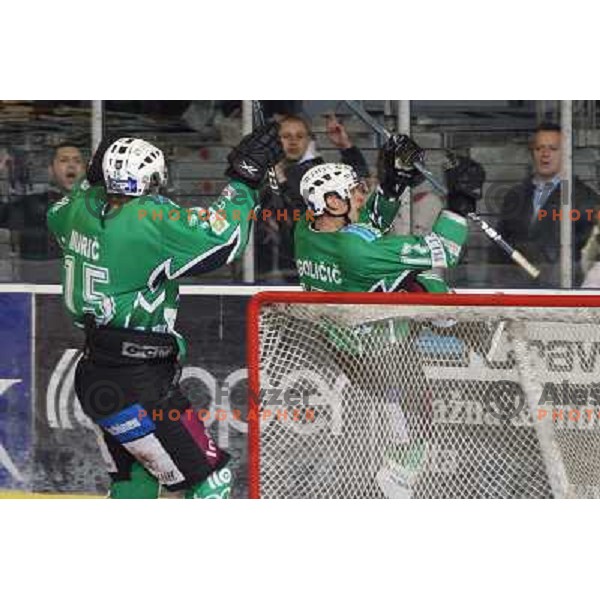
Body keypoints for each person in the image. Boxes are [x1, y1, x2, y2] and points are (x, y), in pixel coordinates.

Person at [47, 124, 283, 499]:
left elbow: (74, 202)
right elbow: (224, 239)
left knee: (134, 481)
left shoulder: (76, 210)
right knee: (212, 480)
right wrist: (243, 181)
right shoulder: (149, 221)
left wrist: (96, 176)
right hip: (140, 383)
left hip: (95, 374)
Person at [256, 113, 369, 283]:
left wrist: (346, 147)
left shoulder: (316, 174)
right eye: (286, 136)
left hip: (309, 268)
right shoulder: (260, 177)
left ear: (309, 140)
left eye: (300, 136)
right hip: (267, 271)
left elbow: (358, 186)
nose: (293, 142)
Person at [490, 122, 600, 287]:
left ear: (567, 154)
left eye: (553, 149)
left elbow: (589, 255)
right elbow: (498, 246)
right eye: (539, 148)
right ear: (532, 152)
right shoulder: (515, 196)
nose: (545, 154)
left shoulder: (585, 199)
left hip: (562, 292)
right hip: (515, 290)